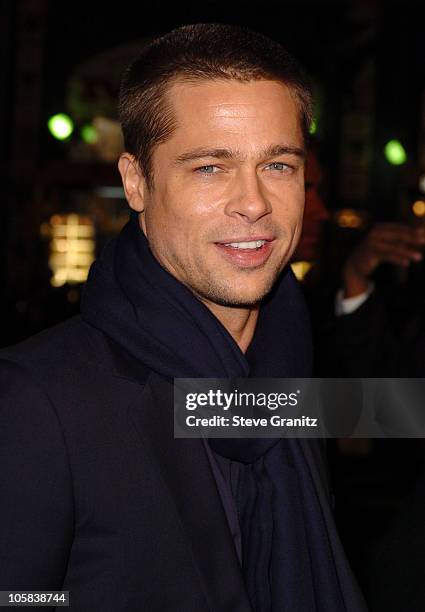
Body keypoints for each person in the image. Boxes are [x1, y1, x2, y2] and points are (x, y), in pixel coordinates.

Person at [0, 24, 367, 611]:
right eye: (209, 168)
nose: (253, 202)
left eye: (278, 165)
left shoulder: (287, 381)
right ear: (136, 182)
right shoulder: (37, 396)